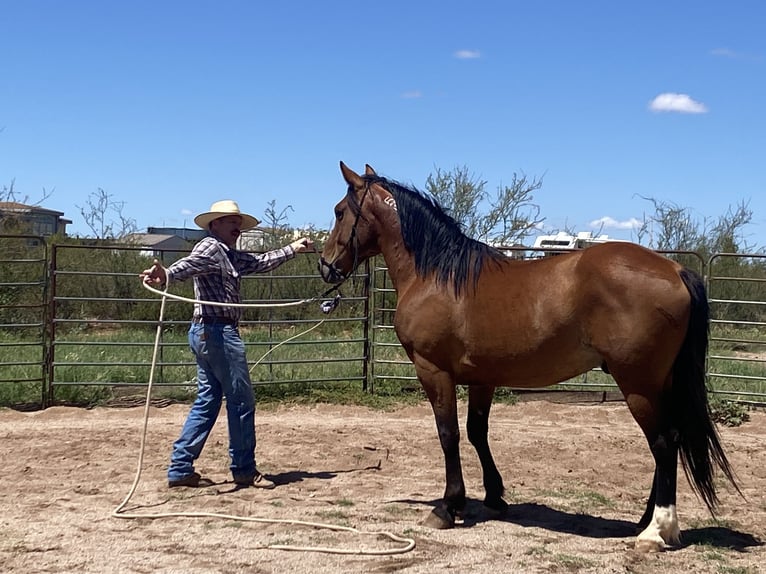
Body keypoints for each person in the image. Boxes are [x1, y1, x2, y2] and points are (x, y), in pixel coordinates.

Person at [140, 199, 314, 489]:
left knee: (208, 401)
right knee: (241, 401)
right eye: (231, 221)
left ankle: (180, 468)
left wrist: (293, 248)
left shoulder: (230, 255)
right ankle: (244, 469)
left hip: (207, 333)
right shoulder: (209, 248)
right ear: (214, 225)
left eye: (238, 222)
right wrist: (167, 274)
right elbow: (188, 265)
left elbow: (259, 263)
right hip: (218, 333)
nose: (237, 227)